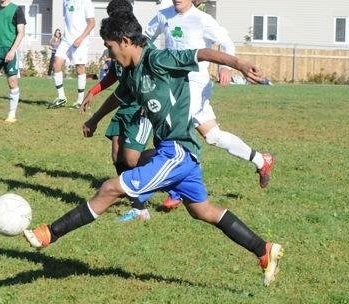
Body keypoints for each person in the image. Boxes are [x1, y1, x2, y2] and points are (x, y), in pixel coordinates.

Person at [24, 11, 283, 287]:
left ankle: (49, 233)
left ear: (124, 41)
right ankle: (263, 249)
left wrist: (238, 63)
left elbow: (202, 53)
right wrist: (94, 119)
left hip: (177, 151)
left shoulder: (158, 59)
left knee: (111, 188)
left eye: (110, 48)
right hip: (176, 153)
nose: (110, 55)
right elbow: (119, 96)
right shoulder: (134, 75)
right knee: (202, 210)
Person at [144, 0, 274, 210]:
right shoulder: (163, 15)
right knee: (213, 136)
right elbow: (144, 38)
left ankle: (177, 190)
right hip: (173, 84)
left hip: (196, 83)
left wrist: (227, 68)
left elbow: (227, 43)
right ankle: (261, 160)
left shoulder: (202, 19)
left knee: (177, 128)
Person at [80, 0, 153, 222]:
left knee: (131, 160)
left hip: (141, 109)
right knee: (117, 155)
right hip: (124, 106)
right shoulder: (117, 49)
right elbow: (114, 77)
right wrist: (94, 91)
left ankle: (174, 165)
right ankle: (139, 206)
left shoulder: (142, 52)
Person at [47, 0, 95, 109]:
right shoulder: (65, 1)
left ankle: (79, 101)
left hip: (80, 40)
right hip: (66, 40)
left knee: (80, 68)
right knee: (56, 64)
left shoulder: (86, 2)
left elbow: (92, 22)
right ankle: (61, 97)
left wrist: (81, 38)